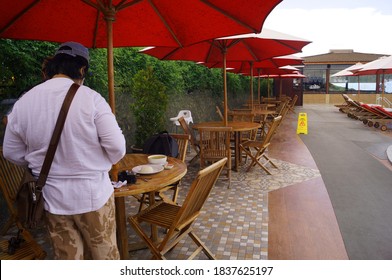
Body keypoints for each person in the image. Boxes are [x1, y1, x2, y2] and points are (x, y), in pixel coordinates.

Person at [3, 42, 126, 260]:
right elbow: (117, 148)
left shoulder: (24, 102)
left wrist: (38, 161)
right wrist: (96, 160)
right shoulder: (92, 98)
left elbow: (11, 152)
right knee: (104, 258)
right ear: (81, 70)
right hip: (94, 195)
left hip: (53, 197)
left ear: (53, 68)